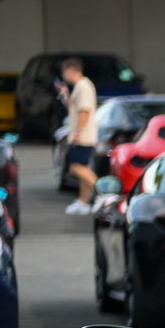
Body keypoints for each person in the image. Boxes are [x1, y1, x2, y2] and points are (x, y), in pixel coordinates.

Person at [60, 58, 99, 215]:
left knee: (75, 167)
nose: (64, 76)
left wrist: (79, 132)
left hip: (83, 135)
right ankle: (84, 202)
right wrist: (65, 95)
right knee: (83, 167)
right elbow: (75, 108)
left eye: (64, 72)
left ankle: (103, 193)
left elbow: (85, 110)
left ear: (71, 70)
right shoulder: (79, 87)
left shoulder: (83, 86)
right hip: (81, 134)